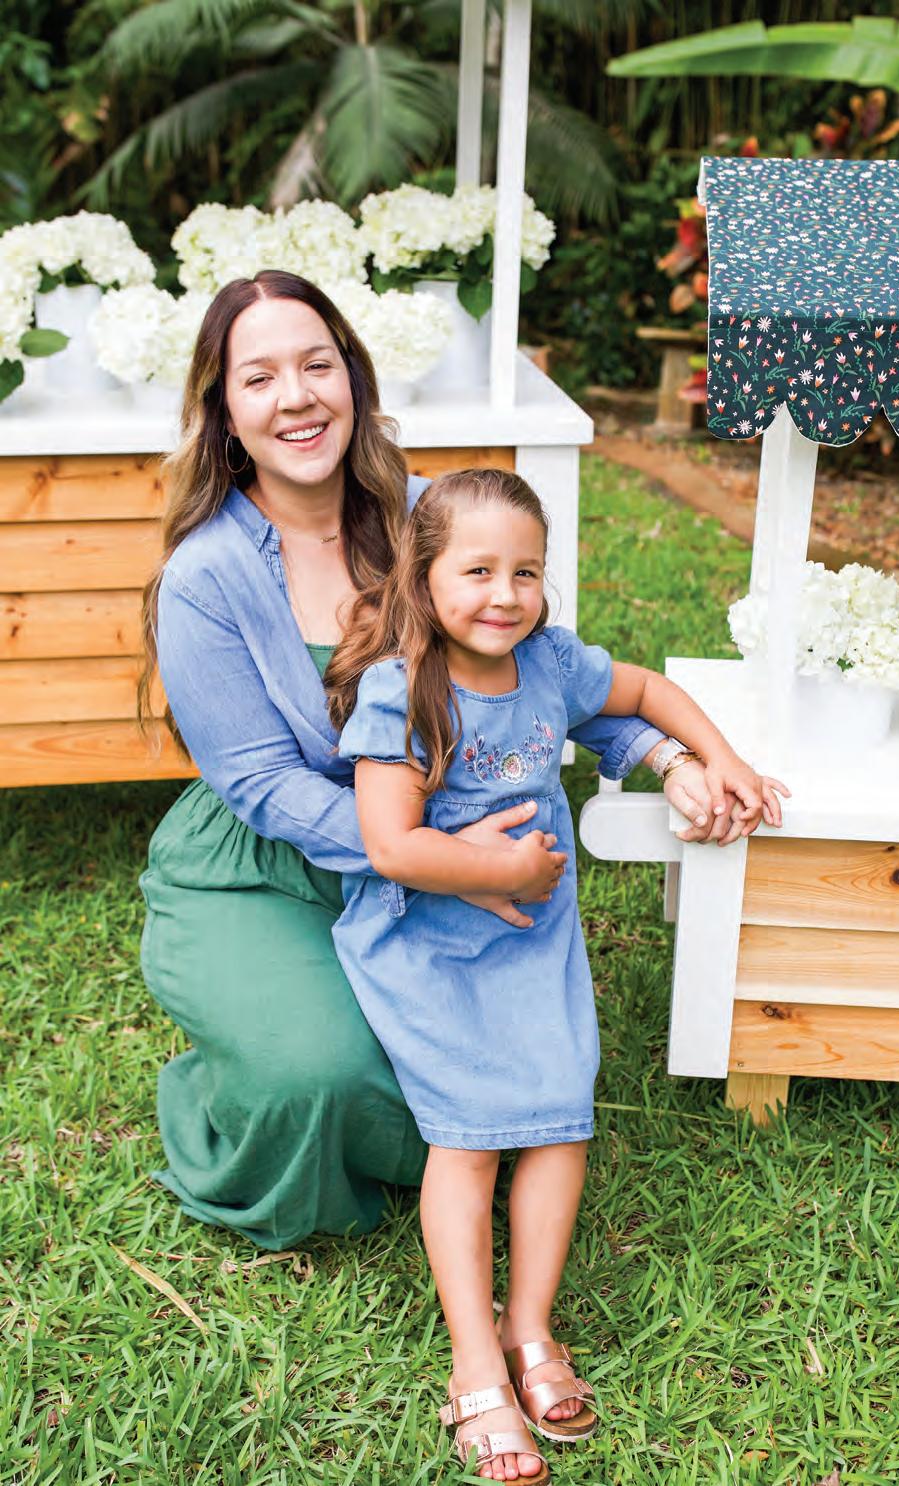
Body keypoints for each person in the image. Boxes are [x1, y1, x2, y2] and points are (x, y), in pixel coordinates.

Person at [138, 269, 755, 1253]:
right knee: (320, 1077)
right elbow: (263, 786)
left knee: (493, 1071)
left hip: (437, 847)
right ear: (223, 411)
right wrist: (446, 857)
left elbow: (534, 671)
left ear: (353, 378)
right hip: (273, 860)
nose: (295, 397)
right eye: (258, 378)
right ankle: (232, 1083)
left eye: (316, 365)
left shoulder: (435, 515)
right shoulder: (204, 577)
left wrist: (667, 753)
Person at [325, 468, 788, 1483]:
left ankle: (529, 1324)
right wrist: (502, 869)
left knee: (559, 1117)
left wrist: (718, 758)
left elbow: (645, 692)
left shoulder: (547, 665)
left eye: (525, 572)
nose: (505, 595)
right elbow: (391, 845)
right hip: (430, 944)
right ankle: (473, 1361)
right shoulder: (402, 690)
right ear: (422, 575)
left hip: (533, 940)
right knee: (468, 1138)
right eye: (477, 571)